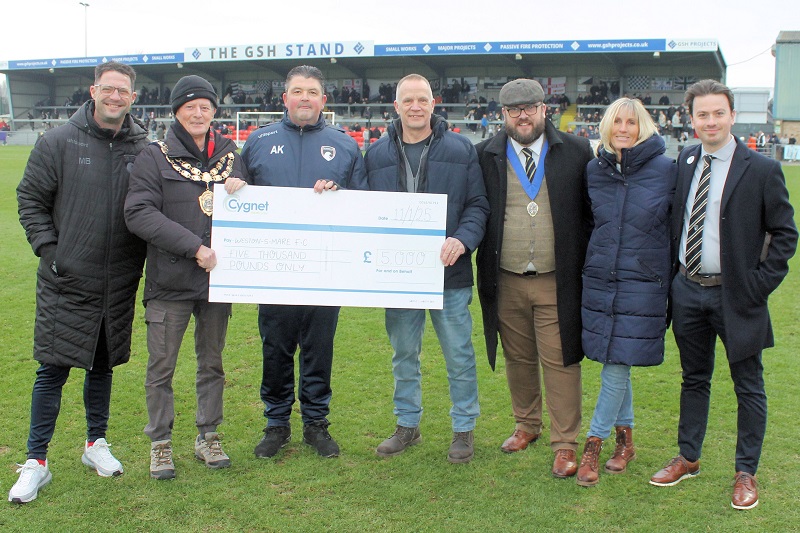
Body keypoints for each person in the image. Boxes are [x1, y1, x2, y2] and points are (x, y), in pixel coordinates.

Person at [649, 80, 797, 510]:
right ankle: (688, 457)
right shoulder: (685, 160)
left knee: (748, 384)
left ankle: (745, 471)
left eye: (718, 113)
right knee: (693, 378)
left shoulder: (762, 169)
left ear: (732, 116)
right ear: (691, 119)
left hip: (736, 296)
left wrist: (757, 286)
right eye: (702, 114)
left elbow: (785, 235)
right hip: (687, 290)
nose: (710, 121)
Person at [11, 61, 149, 504]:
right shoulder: (57, 141)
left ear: (133, 97)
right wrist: (51, 252)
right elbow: (30, 198)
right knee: (52, 369)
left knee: (102, 365)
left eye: (122, 91)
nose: (115, 96)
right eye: (108, 88)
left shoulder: (144, 147)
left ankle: (95, 443)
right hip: (66, 278)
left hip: (119, 279)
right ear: (93, 91)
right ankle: (36, 461)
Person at [125, 75, 250, 480]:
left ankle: (208, 435)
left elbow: (256, 211)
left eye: (205, 106)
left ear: (214, 111)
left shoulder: (231, 155)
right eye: (190, 106)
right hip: (170, 282)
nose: (198, 113)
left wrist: (245, 188)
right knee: (161, 368)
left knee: (212, 364)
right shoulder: (153, 156)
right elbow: (139, 213)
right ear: (176, 111)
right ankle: (160, 443)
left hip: (217, 283)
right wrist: (194, 247)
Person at [241, 65, 367, 460]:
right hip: (274, 270)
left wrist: (339, 193)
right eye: (297, 91)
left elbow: (362, 203)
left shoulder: (344, 145)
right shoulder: (258, 141)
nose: (305, 98)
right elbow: (239, 201)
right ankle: (276, 423)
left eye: (312, 92)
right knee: (275, 349)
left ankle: (316, 424)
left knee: (318, 348)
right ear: (285, 98)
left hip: (324, 271)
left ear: (323, 100)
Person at [365, 74, 488, 463]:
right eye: (408, 100)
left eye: (422, 99)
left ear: (434, 103)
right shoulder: (376, 154)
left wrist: (462, 240)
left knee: (459, 354)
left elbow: (478, 205)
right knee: (404, 354)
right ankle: (407, 425)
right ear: (396, 106)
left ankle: (463, 428)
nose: (415, 107)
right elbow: (362, 209)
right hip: (399, 276)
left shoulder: (461, 148)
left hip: (448, 272)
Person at [475, 78, 593, 478]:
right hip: (505, 277)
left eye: (530, 107)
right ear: (503, 115)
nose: (522, 115)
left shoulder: (576, 150)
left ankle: (565, 442)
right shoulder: (485, 154)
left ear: (545, 109)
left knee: (561, 359)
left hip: (556, 278)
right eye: (514, 109)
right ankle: (527, 424)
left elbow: (590, 214)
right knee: (519, 357)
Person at [575, 98, 677, 487]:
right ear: (607, 125)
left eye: (631, 122)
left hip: (643, 284)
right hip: (601, 280)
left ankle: (594, 443)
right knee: (618, 358)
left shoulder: (666, 170)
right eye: (617, 121)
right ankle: (626, 442)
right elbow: (591, 224)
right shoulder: (595, 170)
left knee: (615, 365)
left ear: (642, 127)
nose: (623, 128)